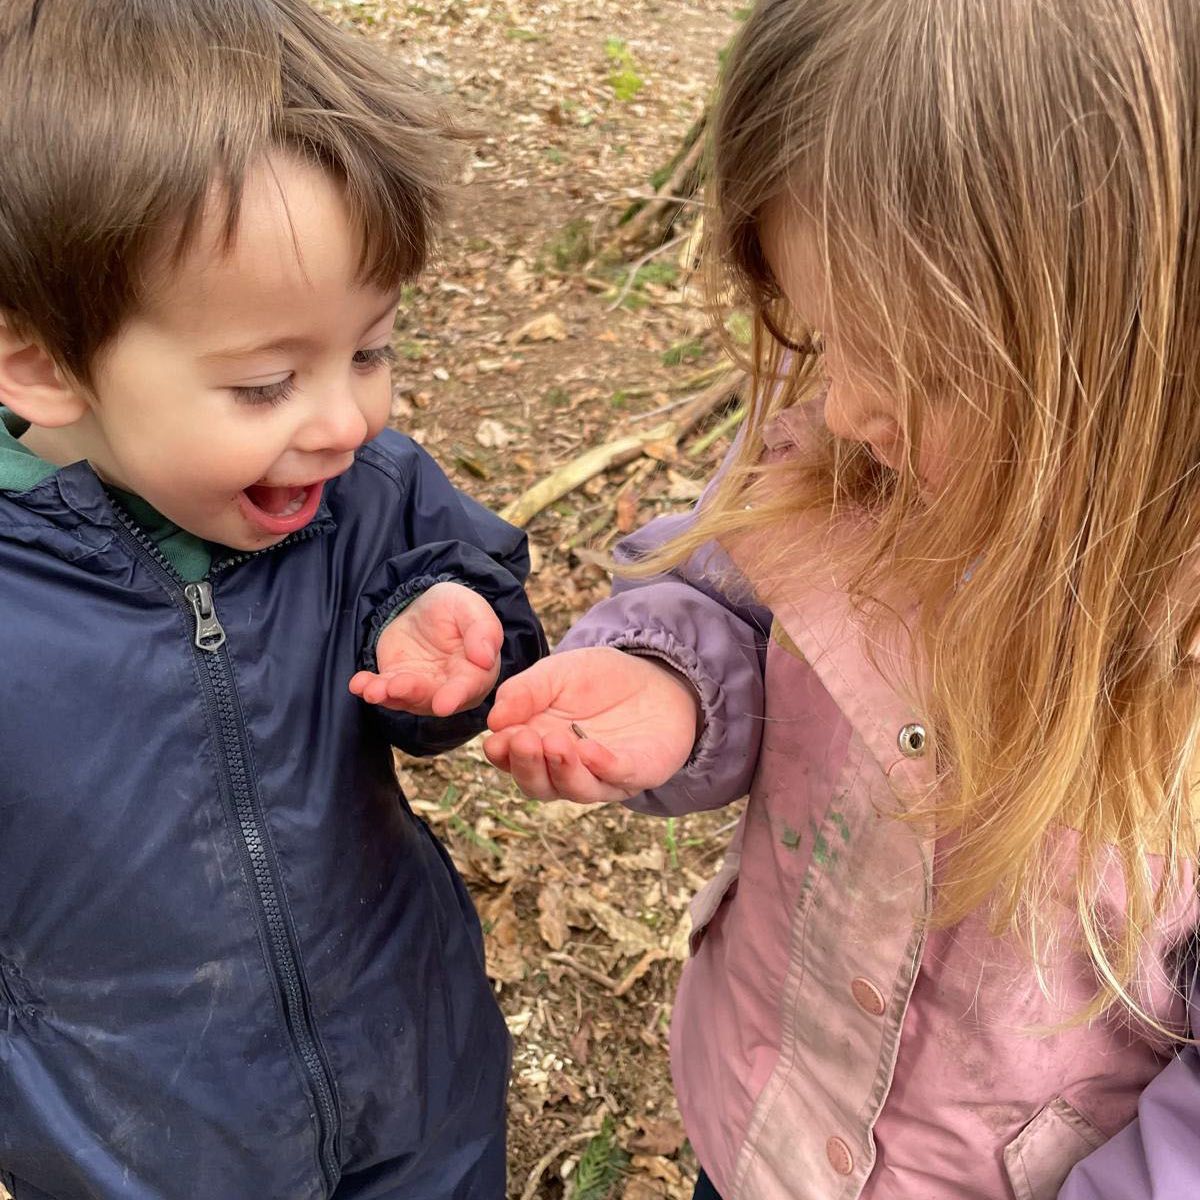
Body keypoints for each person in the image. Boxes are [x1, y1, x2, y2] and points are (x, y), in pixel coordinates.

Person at [484, 1, 1200, 1197]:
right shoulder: (835, 459)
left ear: (1142, 354)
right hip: (765, 1115)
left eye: (920, 363)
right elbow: (723, 594)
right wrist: (665, 686)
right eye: (828, 341)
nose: (849, 404)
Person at [0, 2, 546, 1197]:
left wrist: (449, 632)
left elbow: (449, 582)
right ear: (43, 364)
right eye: (264, 385)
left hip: (415, 1067)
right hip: (137, 1140)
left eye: (370, 350)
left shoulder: (367, 491)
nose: (345, 423)